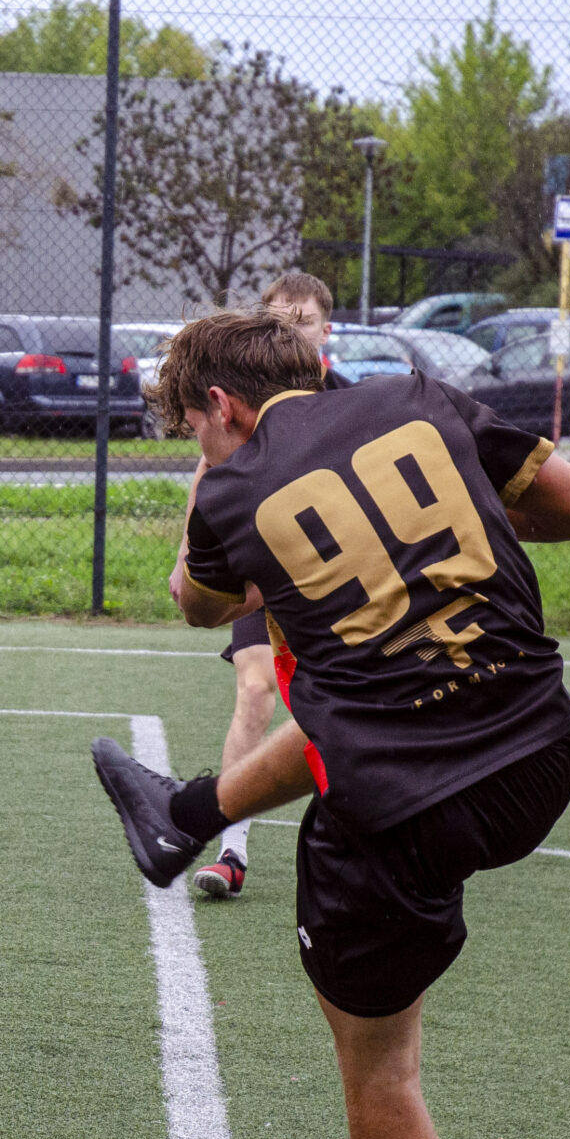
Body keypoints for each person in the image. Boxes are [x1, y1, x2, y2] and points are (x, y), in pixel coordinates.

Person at [94, 309, 570, 1139]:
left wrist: (210, 482)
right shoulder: (423, 397)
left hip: (403, 806)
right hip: (539, 754)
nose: (199, 444)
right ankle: (185, 814)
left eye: (195, 426)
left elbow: (197, 604)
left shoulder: (232, 485)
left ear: (221, 405)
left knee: (380, 1071)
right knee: (347, 695)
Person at [190, 272, 335, 900]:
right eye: (277, 321)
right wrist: (188, 557)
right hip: (263, 570)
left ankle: (358, 829)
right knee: (254, 691)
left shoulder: (349, 402)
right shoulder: (245, 405)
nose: (289, 332)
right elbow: (211, 465)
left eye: (302, 322)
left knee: (334, 702)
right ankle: (232, 849)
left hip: (330, 575)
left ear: (326, 330)